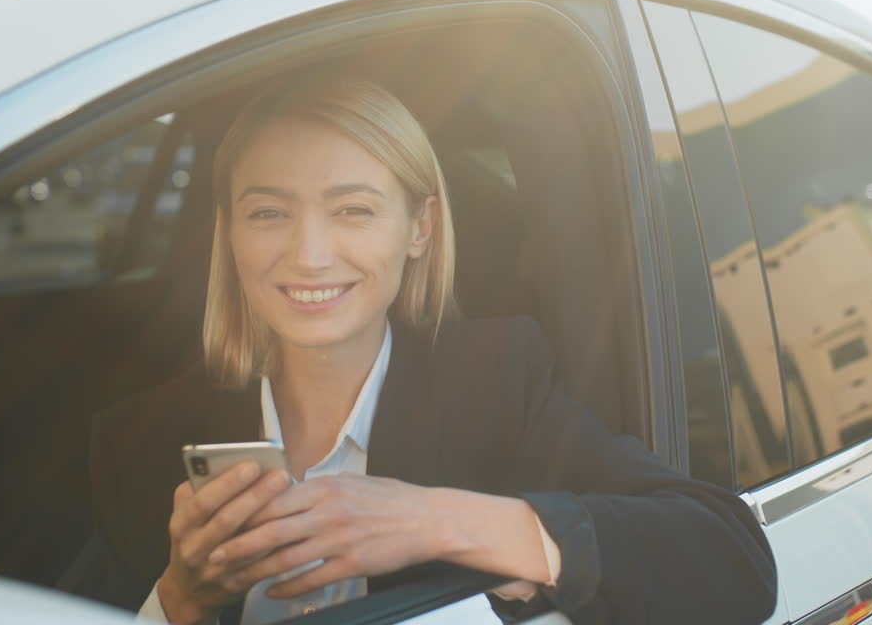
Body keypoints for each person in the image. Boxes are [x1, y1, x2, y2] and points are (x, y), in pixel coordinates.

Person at [61, 75, 777, 624]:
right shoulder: (141, 438)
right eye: (269, 213)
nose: (308, 255)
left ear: (419, 228)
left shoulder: (497, 382)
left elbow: (734, 564)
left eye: (354, 210)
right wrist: (178, 598)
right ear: (231, 233)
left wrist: (435, 520)